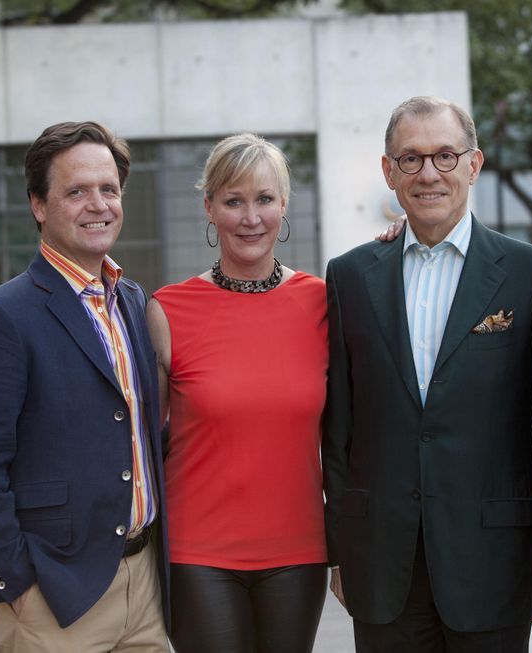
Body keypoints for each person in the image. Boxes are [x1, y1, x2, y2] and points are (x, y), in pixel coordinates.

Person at [323, 96, 532, 653]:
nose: (428, 173)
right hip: (382, 562)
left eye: (446, 156)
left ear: (474, 165)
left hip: (494, 559)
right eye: (411, 158)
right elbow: (339, 429)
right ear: (388, 170)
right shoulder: (350, 276)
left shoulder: (531, 272)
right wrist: (342, 550)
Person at [0, 121, 169, 652]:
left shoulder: (133, 301)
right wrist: (16, 586)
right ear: (39, 205)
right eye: (77, 191)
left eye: (109, 189)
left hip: (148, 590)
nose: (98, 204)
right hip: (53, 599)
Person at [146, 133, 328, 653]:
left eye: (264, 199)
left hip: (298, 549)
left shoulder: (321, 302)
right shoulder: (168, 310)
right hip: (198, 552)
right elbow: (141, 437)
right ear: (209, 207)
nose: (251, 217)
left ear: (283, 205)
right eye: (233, 201)